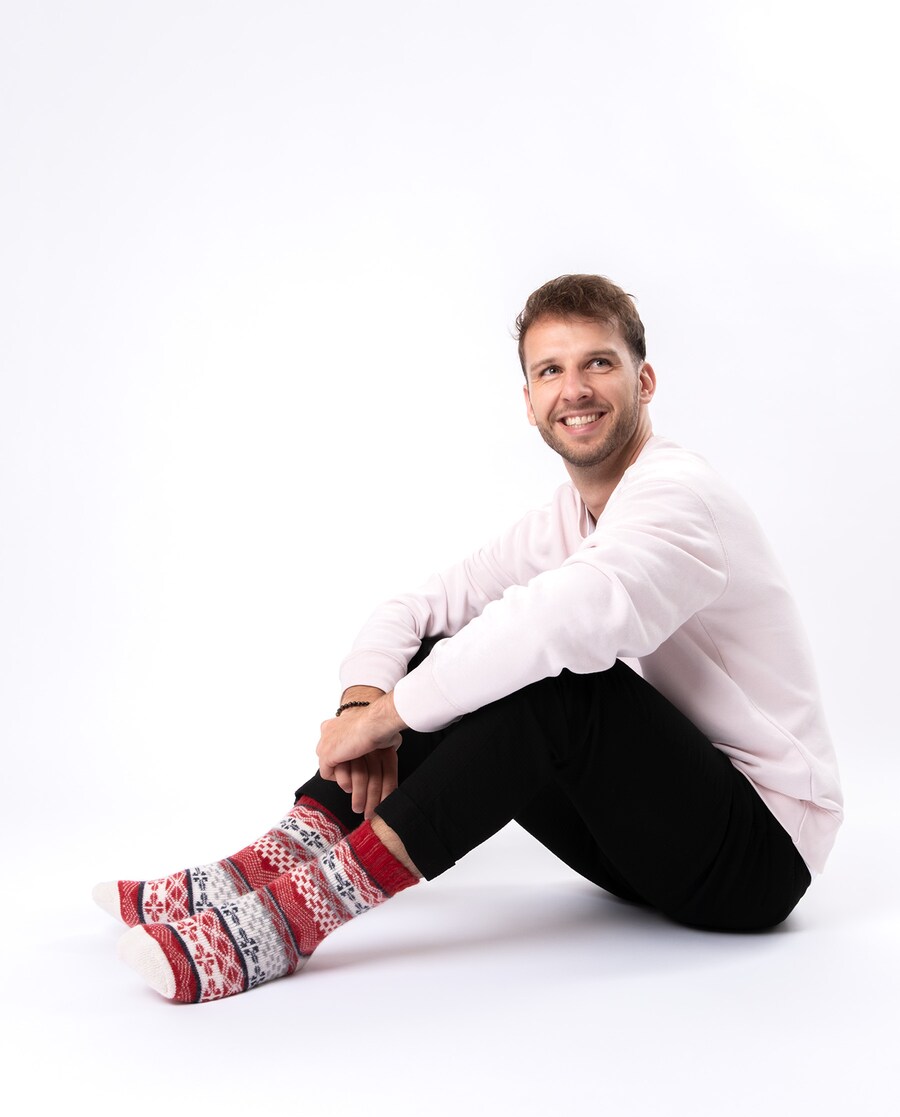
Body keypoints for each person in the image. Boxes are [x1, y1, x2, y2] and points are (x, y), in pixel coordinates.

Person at [94, 274, 842, 1004]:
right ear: (529, 401)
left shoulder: (678, 495)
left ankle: (295, 917)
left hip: (759, 858)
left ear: (643, 382)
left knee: (560, 685)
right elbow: (418, 610)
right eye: (550, 371)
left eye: (598, 363)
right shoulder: (568, 516)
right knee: (439, 658)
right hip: (647, 845)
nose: (574, 389)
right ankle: (262, 866)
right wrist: (364, 706)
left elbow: (567, 619)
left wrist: (393, 717)